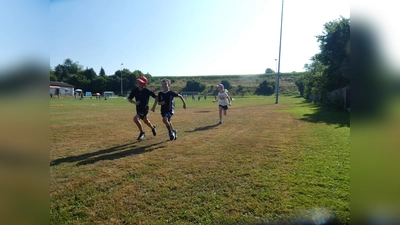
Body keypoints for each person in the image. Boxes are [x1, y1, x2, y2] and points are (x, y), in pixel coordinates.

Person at [128, 76, 158, 140]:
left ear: (144, 84)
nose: (139, 83)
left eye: (140, 82)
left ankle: (142, 133)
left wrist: (154, 106)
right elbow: (129, 99)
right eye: (138, 82)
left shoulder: (147, 91)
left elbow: (156, 97)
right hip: (138, 108)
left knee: (135, 119)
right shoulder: (135, 90)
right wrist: (134, 102)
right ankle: (153, 127)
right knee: (145, 121)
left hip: (145, 108)